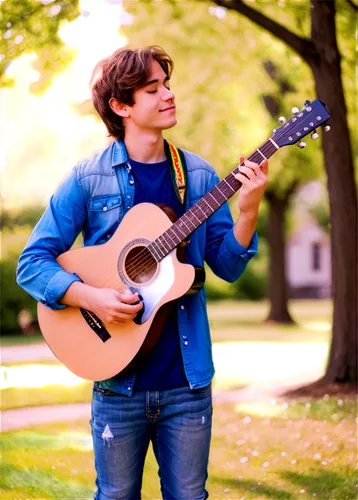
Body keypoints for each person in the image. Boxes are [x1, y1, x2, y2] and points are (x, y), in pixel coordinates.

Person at [17, 45, 268, 500]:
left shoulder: (198, 175)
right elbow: (31, 263)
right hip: (117, 384)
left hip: (187, 384)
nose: (168, 94)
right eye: (153, 89)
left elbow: (228, 266)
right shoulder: (88, 178)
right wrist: (91, 298)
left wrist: (248, 210)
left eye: (167, 85)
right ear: (121, 106)